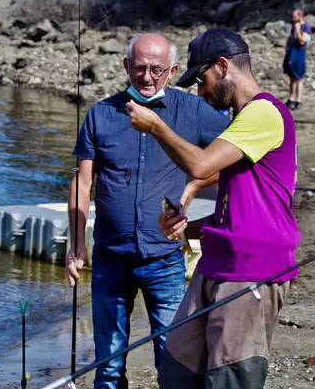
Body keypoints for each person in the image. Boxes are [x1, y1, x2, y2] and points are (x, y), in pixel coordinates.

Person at [127, 28, 301, 389]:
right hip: (216, 263)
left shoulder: (266, 112)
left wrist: (156, 126)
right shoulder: (241, 123)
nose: (199, 90)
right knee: (177, 369)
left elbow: (202, 165)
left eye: (202, 79)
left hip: (252, 269)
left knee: (229, 379)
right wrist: (187, 227)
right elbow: (237, 200)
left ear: (223, 66)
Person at [66, 33, 229, 388]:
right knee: (107, 370)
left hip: (165, 261)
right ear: (126, 66)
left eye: (156, 69)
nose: (147, 76)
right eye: (139, 67)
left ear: (172, 70)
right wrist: (75, 244)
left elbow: (237, 159)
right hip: (109, 260)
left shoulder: (194, 111)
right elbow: (82, 183)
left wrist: (195, 184)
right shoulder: (100, 114)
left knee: (172, 363)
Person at [283, 8, 311, 110]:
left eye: (294, 16)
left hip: (299, 54)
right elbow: (291, 38)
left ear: (300, 16)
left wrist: (298, 30)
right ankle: (291, 98)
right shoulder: (293, 26)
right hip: (291, 53)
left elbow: (302, 41)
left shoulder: (306, 27)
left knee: (299, 78)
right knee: (292, 77)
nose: (292, 18)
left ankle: (298, 100)